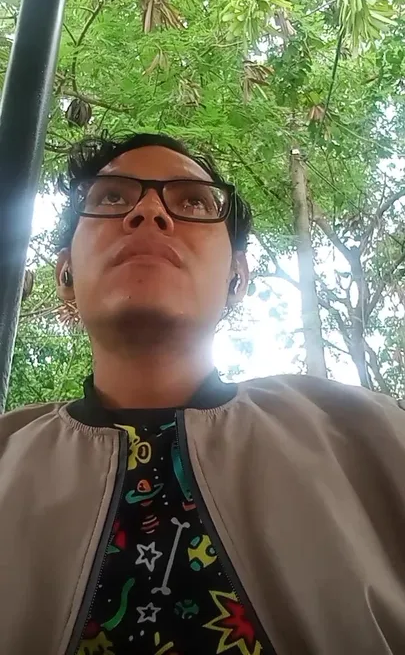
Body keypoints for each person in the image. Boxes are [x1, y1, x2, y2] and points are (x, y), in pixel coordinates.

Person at [1, 132, 405, 655]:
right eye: (112, 196)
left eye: (192, 201)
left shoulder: (368, 436)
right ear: (66, 275)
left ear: (237, 278)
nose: (149, 212)